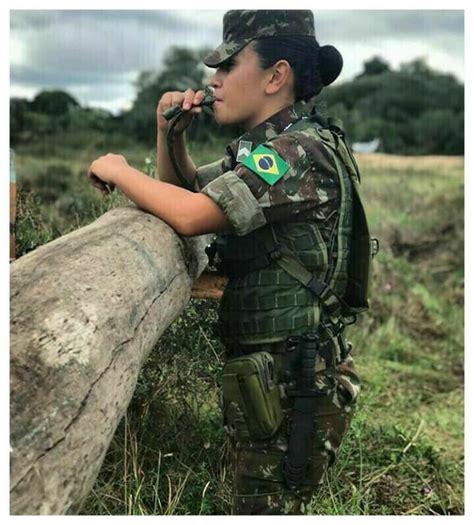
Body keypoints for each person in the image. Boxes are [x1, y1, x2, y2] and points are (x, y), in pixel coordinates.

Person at [88, 10, 370, 515]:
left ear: (275, 76)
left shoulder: (294, 151)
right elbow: (190, 189)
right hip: (276, 374)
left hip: (296, 379)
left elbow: (194, 215)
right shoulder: (271, 147)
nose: (213, 82)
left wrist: (119, 170)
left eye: (228, 67)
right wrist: (170, 134)